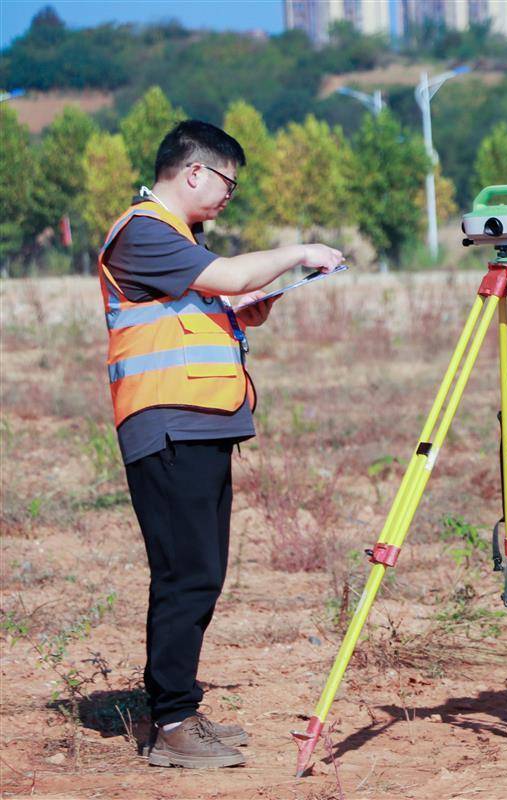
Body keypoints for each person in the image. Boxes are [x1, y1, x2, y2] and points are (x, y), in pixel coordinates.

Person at [100, 120, 343, 768]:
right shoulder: (144, 230)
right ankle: (172, 722)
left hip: (200, 421)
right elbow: (227, 273)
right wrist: (300, 252)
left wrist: (240, 307)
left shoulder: (175, 238)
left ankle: (180, 709)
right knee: (186, 573)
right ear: (195, 172)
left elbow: (208, 299)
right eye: (227, 186)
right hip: (168, 424)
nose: (228, 199)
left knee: (201, 572)